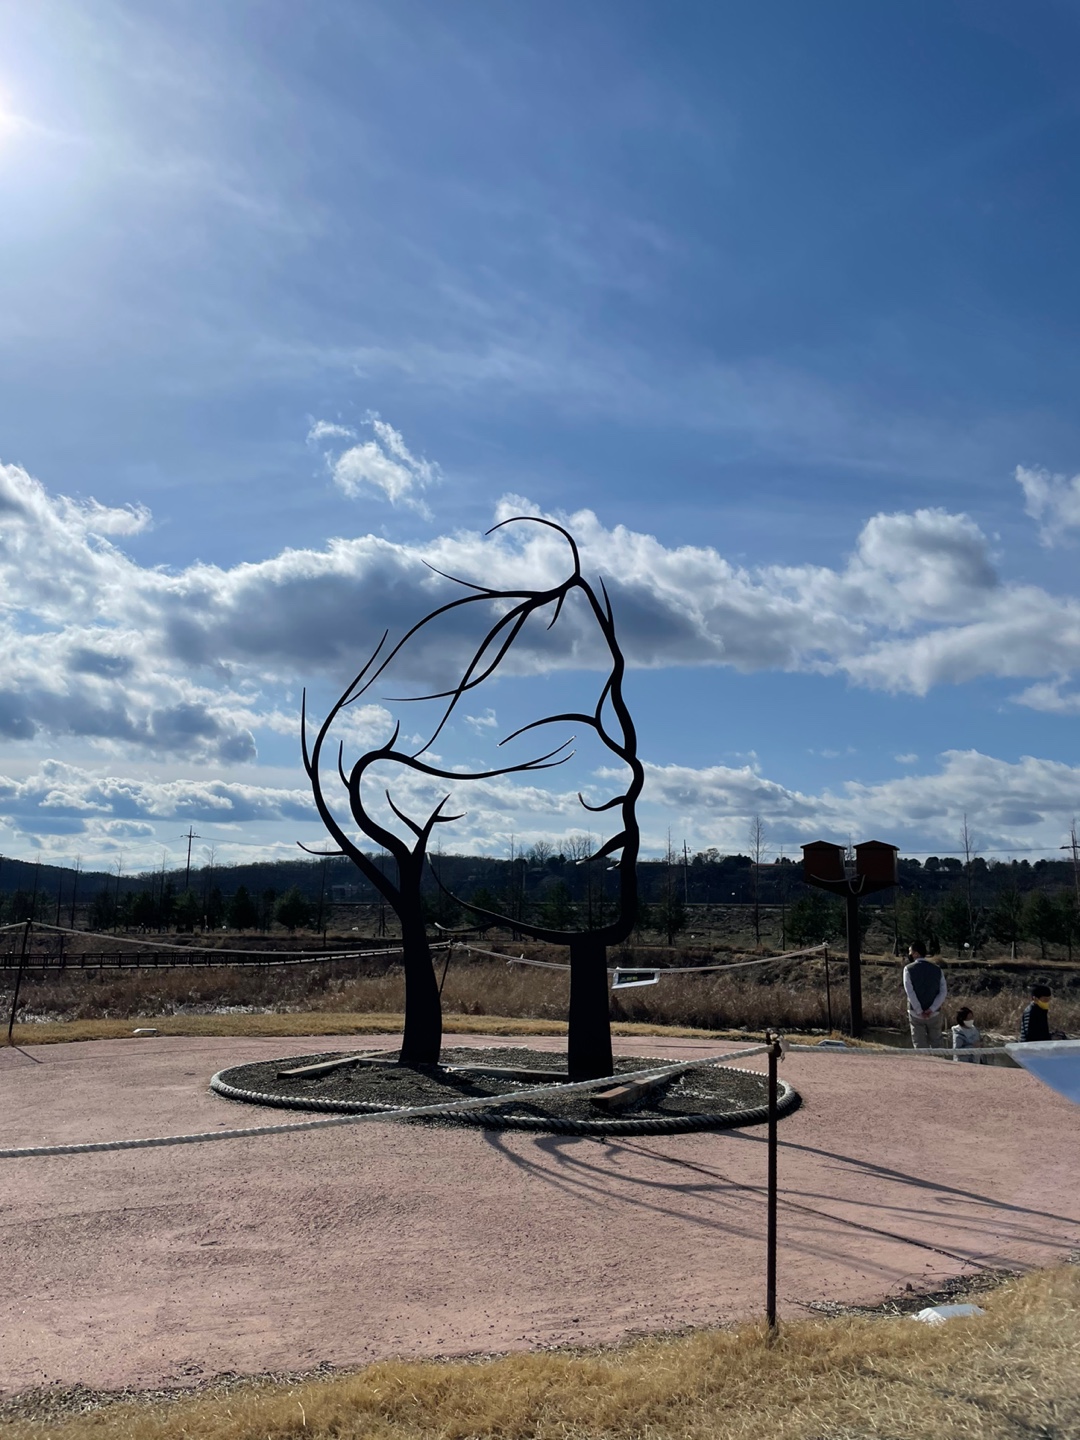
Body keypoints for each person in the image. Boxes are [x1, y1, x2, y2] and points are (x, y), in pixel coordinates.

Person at [903, 941, 947, 1050]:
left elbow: (910, 992)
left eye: (910, 952)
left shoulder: (908, 969)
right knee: (937, 1044)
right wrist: (932, 1008)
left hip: (915, 1013)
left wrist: (919, 1010)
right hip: (934, 1013)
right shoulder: (937, 969)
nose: (909, 955)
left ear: (916, 953)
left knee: (919, 1045)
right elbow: (943, 992)